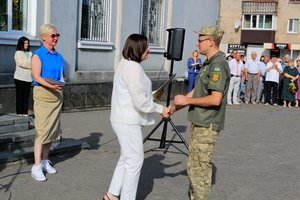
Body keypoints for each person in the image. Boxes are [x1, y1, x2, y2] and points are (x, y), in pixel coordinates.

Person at [103, 34, 170, 200]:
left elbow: (135, 94)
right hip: (128, 121)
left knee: (126, 158)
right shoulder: (133, 68)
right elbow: (139, 101)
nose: (149, 49)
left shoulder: (125, 64)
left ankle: (111, 195)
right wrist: (161, 108)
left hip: (123, 119)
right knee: (134, 162)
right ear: (137, 48)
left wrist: (152, 96)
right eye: (146, 46)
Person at [171, 25, 230, 200]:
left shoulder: (218, 64)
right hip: (200, 122)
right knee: (194, 168)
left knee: (200, 173)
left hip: (207, 124)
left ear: (211, 41)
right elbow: (197, 90)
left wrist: (186, 101)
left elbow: (215, 99)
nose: (197, 44)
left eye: (200, 40)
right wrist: (174, 108)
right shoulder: (209, 63)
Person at [31, 24, 65, 182]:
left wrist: (62, 83)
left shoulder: (58, 56)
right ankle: (36, 166)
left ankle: (45, 161)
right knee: (42, 130)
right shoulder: (38, 55)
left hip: (56, 94)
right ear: (44, 37)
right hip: (43, 95)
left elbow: (61, 75)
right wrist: (52, 85)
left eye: (57, 35)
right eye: (53, 35)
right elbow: (37, 77)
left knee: (52, 130)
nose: (56, 38)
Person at [14, 36, 33, 116]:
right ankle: (19, 114)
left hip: (28, 78)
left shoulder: (31, 53)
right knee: (19, 97)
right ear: (21, 44)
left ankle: (25, 113)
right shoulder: (18, 53)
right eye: (25, 43)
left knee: (26, 97)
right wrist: (31, 66)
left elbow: (34, 62)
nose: (27, 44)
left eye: (28, 43)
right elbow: (21, 63)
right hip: (19, 78)